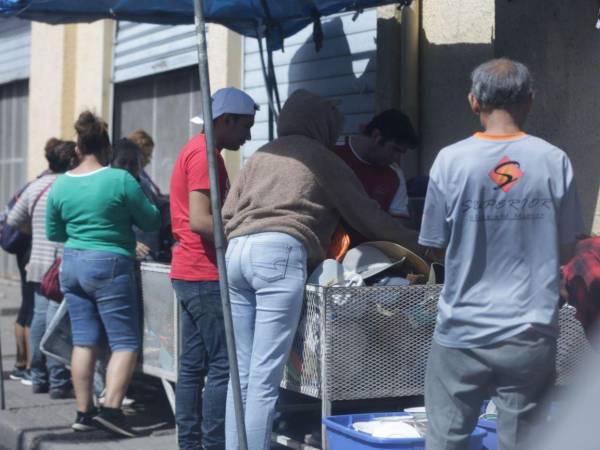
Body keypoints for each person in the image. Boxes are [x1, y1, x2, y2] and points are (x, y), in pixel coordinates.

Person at [222, 89, 421, 450]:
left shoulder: (262, 154)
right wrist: (422, 244)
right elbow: (369, 217)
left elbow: (226, 212)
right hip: (279, 254)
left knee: (241, 376)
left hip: (235, 254)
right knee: (265, 380)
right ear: (320, 123)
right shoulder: (323, 158)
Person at [419, 58, 584, 450]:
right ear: (530, 100)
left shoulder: (450, 160)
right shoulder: (553, 160)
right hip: (530, 331)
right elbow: (567, 247)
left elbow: (431, 243)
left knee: (446, 440)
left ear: (474, 102)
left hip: (461, 329)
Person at [46, 111, 160, 437]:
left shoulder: (61, 183)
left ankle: (83, 413)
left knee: (84, 342)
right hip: (110, 263)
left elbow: (54, 230)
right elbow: (151, 220)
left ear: (79, 147)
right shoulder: (119, 179)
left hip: (73, 263)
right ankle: (112, 409)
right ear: (107, 148)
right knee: (124, 342)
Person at [169, 87, 258, 450]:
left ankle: (191, 444)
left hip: (189, 271)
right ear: (225, 121)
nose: (248, 135)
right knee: (223, 366)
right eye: (245, 127)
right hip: (204, 273)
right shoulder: (206, 155)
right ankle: (212, 444)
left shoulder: (199, 150)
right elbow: (202, 221)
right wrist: (243, 231)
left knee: (192, 367)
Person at [7, 138, 77, 398]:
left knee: (39, 319)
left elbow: (14, 220)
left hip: (37, 262)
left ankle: (38, 377)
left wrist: (36, 232)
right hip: (61, 264)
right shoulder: (71, 185)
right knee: (56, 323)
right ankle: (58, 380)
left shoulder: (35, 186)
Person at [334, 109, 418, 240]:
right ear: (376, 136)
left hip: (371, 252)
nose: (396, 157)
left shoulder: (394, 175)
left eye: (401, 153)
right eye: (395, 149)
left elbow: (400, 224)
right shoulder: (333, 153)